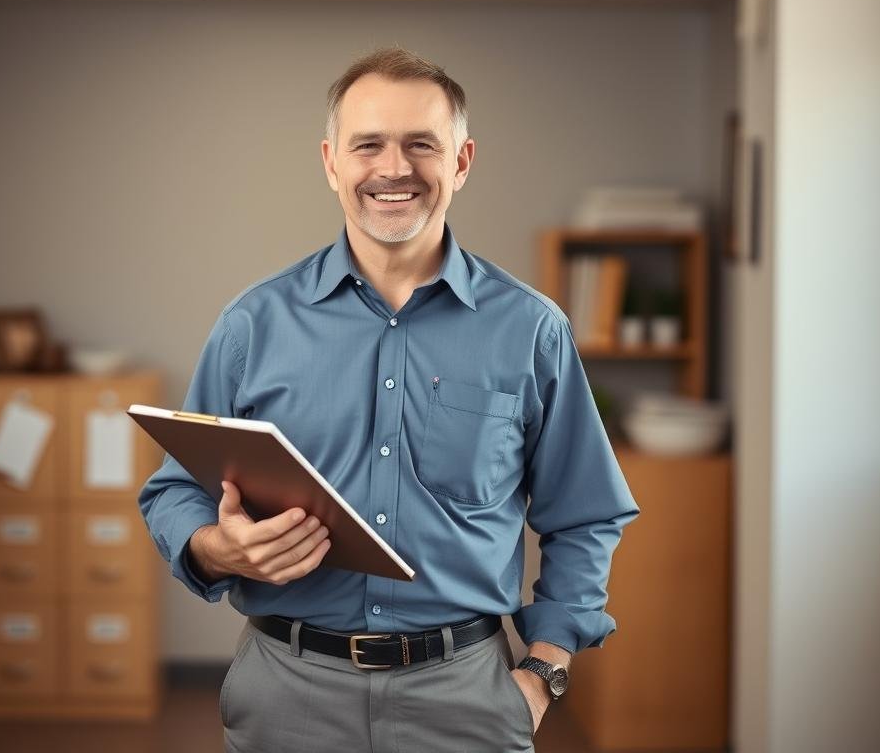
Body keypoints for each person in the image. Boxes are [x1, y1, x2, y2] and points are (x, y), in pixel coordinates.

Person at [138, 47, 639, 753]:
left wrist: (544, 671)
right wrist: (215, 547)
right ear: (331, 162)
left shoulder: (532, 331)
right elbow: (173, 492)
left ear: (461, 162)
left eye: (421, 145)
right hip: (287, 691)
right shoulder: (253, 325)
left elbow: (587, 514)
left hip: (466, 698)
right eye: (367, 144)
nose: (393, 168)